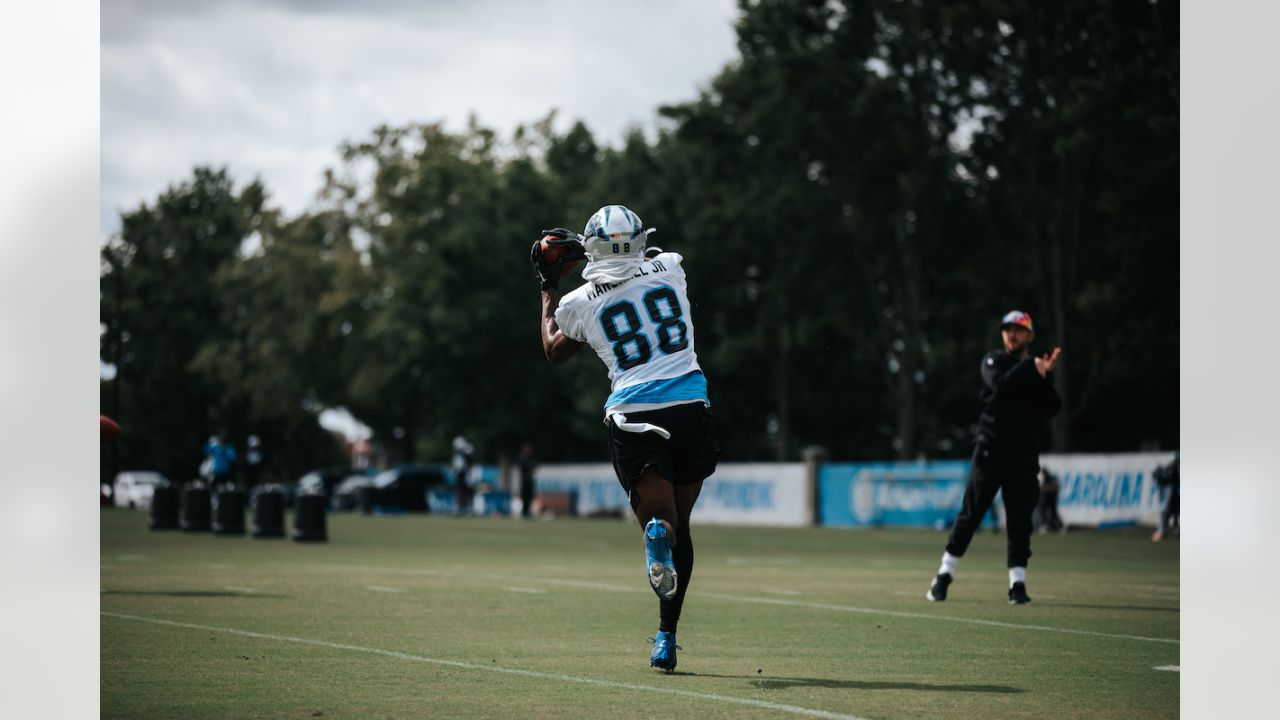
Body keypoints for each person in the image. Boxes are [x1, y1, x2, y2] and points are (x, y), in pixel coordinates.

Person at [531, 204, 719, 672]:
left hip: (633, 412)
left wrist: (549, 282)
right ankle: (666, 637)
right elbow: (644, 263)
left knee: (661, 523)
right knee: (684, 531)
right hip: (689, 406)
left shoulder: (580, 302)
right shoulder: (671, 268)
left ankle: (656, 533)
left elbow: (554, 350)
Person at [927, 310, 1061, 605]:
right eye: (1008, 329)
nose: (1012, 334)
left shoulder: (1033, 370)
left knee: (1020, 520)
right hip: (991, 451)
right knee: (971, 514)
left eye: (1018, 329)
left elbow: (1053, 407)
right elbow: (999, 388)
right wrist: (1030, 367)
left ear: (1030, 335)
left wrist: (1046, 376)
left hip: (1023, 455)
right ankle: (944, 575)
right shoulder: (993, 361)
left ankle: (1017, 584)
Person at [1152, 453, 1179, 542]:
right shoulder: (1173, 466)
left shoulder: (1174, 466)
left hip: (1175, 494)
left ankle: (1162, 533)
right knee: (1174, 514)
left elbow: (1168, 477)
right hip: (1176, 494)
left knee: (1167, 514)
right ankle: (1173, 531)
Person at [1034, 468, 1064, 534]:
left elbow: (1053, 487)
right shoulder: (1046, 478)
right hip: (1047, 500)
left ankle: (1059, 526)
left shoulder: (1050, 478)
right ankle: (1048, 526)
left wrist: (1043, 488)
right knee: (1045, 512)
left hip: (1051, 499)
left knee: (1053, 514)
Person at [451, 435, 475, 515]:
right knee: (459, 492)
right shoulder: (458, 454)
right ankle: (458, 509)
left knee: (467, 493)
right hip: (460, 475)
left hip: (466, 475)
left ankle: (468, 509)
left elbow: (470, 464)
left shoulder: (466, 453)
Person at [517, 442, 537, 518]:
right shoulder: (522, 458)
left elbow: (534, 466)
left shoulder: (531, 458)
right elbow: (526, 466)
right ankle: (524, 512)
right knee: (525, 497)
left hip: (530, 481)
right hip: (524, 481)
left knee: (530, 497)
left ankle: (528, 511)